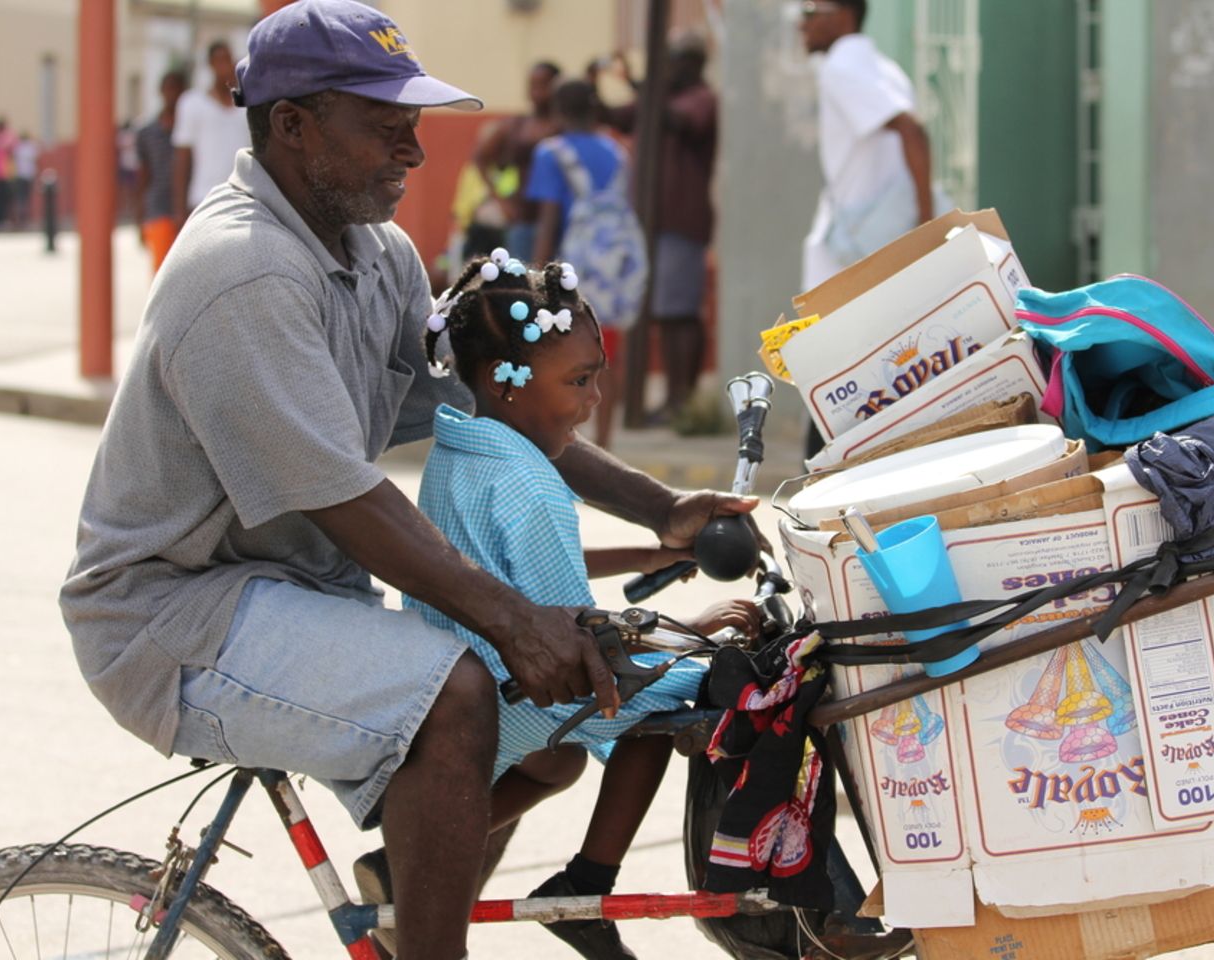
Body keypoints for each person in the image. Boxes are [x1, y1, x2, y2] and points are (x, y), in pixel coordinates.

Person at [58, 3, 756, 959]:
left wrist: (664, 508)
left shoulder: (371, 252)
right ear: (293, 124)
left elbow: (495, 407)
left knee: (533, 717)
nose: (416, 153)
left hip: (284, 594)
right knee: (457, 692)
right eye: (386, 128)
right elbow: (344, 495)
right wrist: (517, 619)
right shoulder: (245, 271)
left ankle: (407, 906)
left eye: (415, 126)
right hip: (172, 617)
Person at [413, 251, 759, 959]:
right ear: (504, 385)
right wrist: (687, 634)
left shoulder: (463, 450)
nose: (596, 397)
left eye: (596, 373)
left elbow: (507, 573)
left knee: (561, 764)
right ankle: (587, 884)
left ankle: (415, 853)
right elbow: (580, 637)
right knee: (674, 699)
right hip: (510, 689)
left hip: (449, 672)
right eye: (579, 380)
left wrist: (643, 555)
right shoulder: (533, 487)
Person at [799, 0, 944, 459]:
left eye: (809, 9)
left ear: (843, 14)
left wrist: (925, 224)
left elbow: (912, 131)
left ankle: (820, 476)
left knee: (830, 368)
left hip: (859, 246)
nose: (802, 22)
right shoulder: (879, 64)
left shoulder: (843, 66)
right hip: (866, 238)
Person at [596, 34, 717, 423]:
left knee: (678, 313)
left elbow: (678, 121)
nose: (670, 69)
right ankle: (671, 401)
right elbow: (616, 118)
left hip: (681, 222)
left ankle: (681, 400)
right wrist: (597, 81)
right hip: (649, 225)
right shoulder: (658, 100)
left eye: (677, 61)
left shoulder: (699, 98)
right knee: (662, 313)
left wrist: (640, 85)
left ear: (694, 64)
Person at [526, 78, 642, 449]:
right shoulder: (617, 150)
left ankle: (563, 435)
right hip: (612, 267)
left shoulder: (551, 152)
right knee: (604, 350)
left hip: (571, 267)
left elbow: (548, 218)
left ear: (558, 112)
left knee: (558, 350)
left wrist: (536, 275)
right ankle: (605, 442)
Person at [473, 61, 561, 261]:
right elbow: (480, 158)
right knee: (522, 279)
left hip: (559, 222)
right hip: (524, 219)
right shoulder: (518, 125)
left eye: (544, 85)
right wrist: (501, 200)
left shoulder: (563, 126)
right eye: (533, 85)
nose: (538, 92)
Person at [171, 39, 251, 224]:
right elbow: (182, 158)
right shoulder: (192, 103)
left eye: (227, 59)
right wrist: (179, 210)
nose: (224, 66)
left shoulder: (248, 105)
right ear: (210, 64)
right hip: (203, 200)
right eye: (219, 60)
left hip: (243, 200)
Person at [135, 69, 188, 273]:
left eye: (177, 89)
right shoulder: (147, 132)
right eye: (168, 89)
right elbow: (143, 175)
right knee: (161, 271)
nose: (172, 94)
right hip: (158, 207)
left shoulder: (191, 128)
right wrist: (139, 217)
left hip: (188, 206)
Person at [12, 131, 39, 227]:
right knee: (25, 197)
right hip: (27, 175)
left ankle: (21, 218)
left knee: (21, 197)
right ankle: (24, 218)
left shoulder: (18, 147)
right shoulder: (30, 148)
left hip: (20, 175)